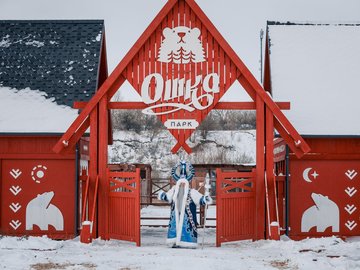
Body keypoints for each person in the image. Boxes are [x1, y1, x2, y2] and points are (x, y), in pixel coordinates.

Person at [158, 160, 212, 248]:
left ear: (187, 182)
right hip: (175, 214)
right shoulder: (174, 190)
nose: (182, 184)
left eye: (184, 182)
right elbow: (167, 197)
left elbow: (199, 199)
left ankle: (187, 243)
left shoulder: (192, 192)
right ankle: (174, 242)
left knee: (186, 228)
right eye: (181, 182)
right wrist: (162, 195)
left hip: (187, 215)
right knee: (175, 227)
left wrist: (205, 199)